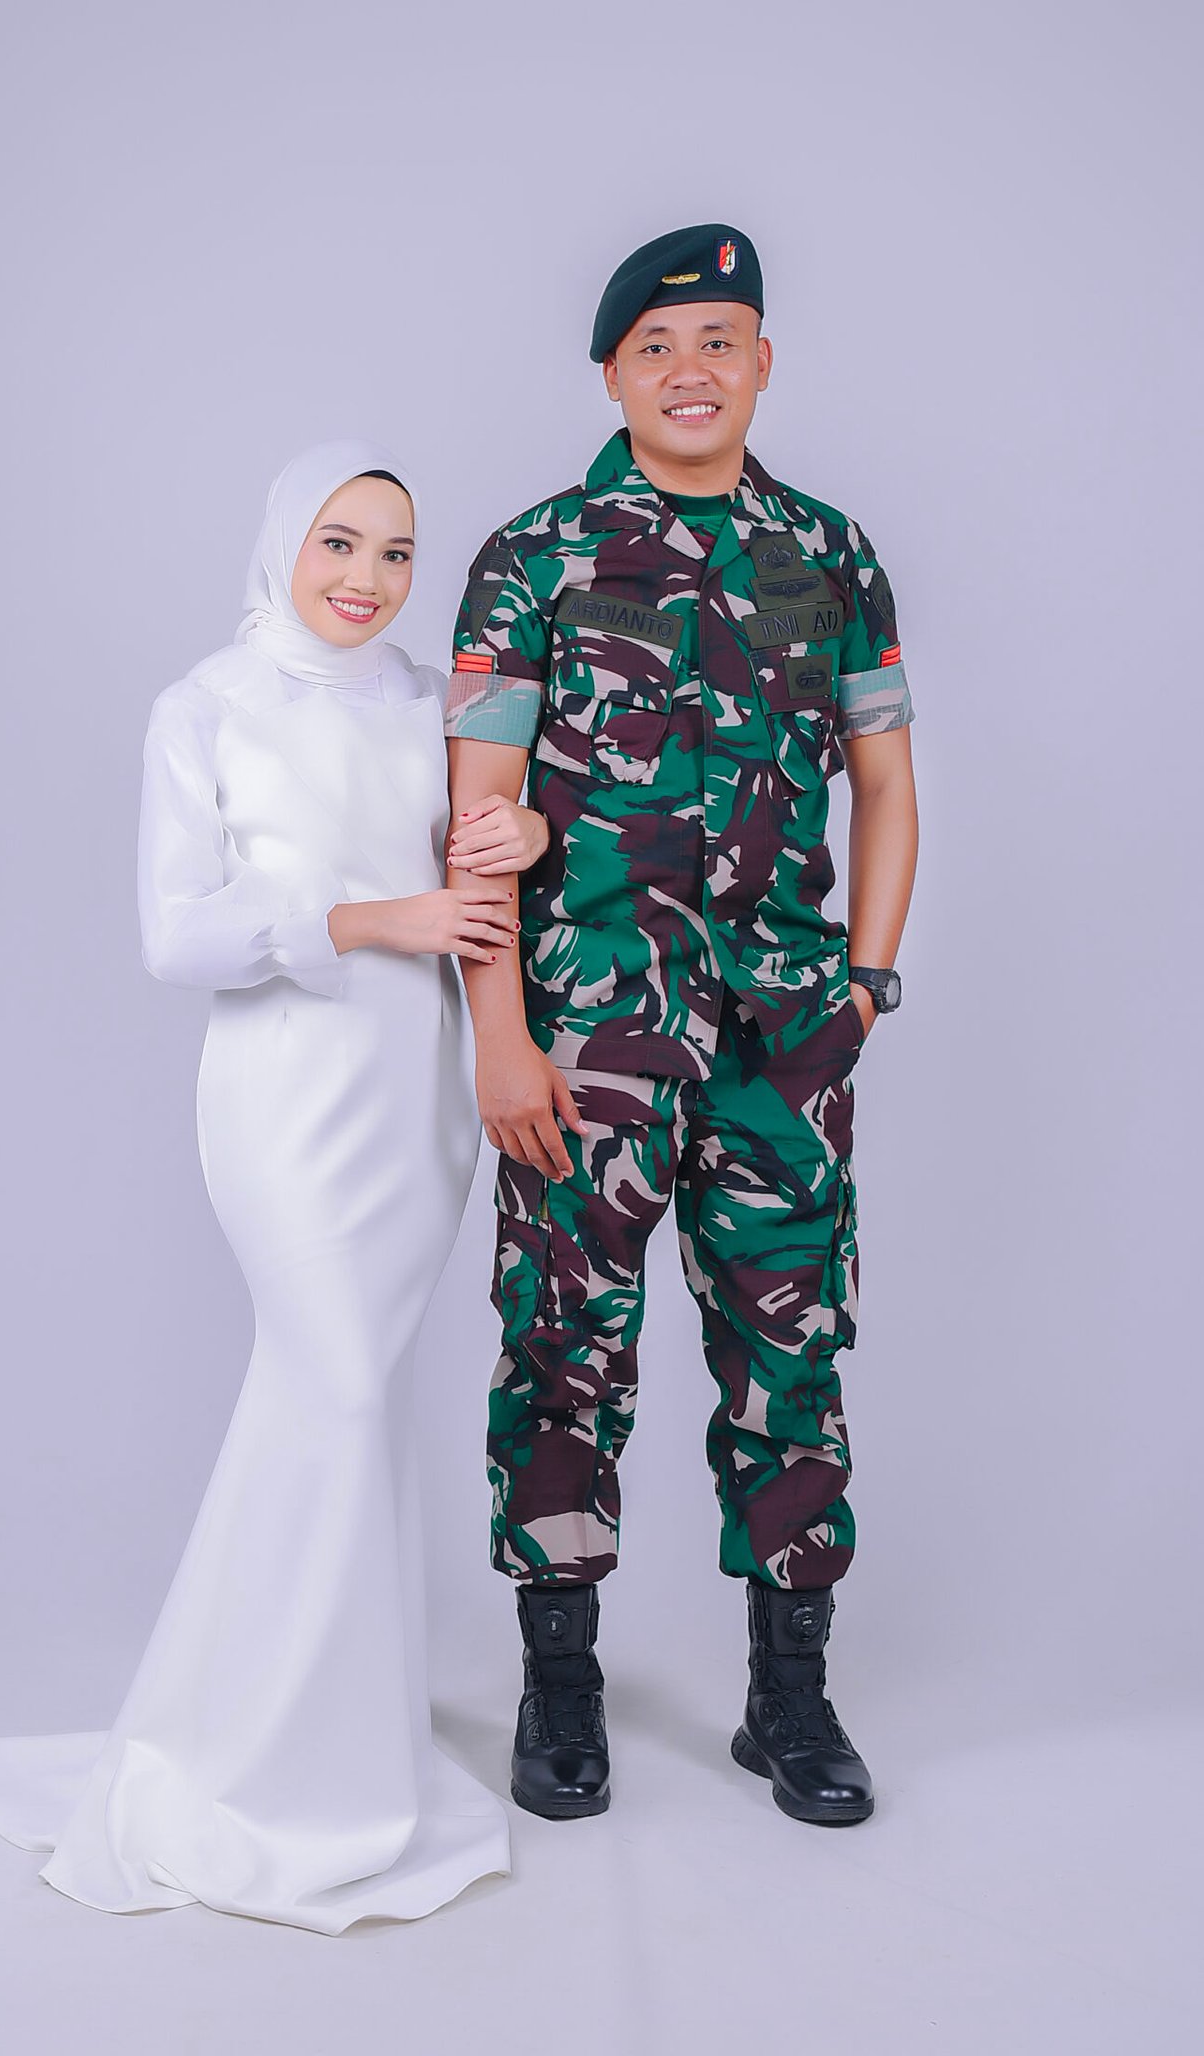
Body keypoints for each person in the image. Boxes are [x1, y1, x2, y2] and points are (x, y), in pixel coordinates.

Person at [0, 442, 543, 1932]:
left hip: (416, 1100)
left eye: (397, 552)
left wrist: (527, 831)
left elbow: (506, 840)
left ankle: (339, 1734)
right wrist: (374, 917)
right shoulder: (206, 705)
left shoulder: (437, 700)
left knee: (350, 1409)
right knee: (333, 1386)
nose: (367, 578)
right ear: (284, 542)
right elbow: (176, 936)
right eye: (338, 543)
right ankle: (259, 1767)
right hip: (289, 1098)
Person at [443, 227, 918, 1829]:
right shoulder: (537, 557)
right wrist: (498, 1038)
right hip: (587, 1037)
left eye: (720, 340)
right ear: (612, 376)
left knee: (793, 1349)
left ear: (764, 362)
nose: (691, 370)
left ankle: (791, 1698)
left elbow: (886, 782)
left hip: (786, 1036)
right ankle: (559, 1686)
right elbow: (478, 819)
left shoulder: (826, 555)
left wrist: (867, 980)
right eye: (658, 346)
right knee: (563, 1347)